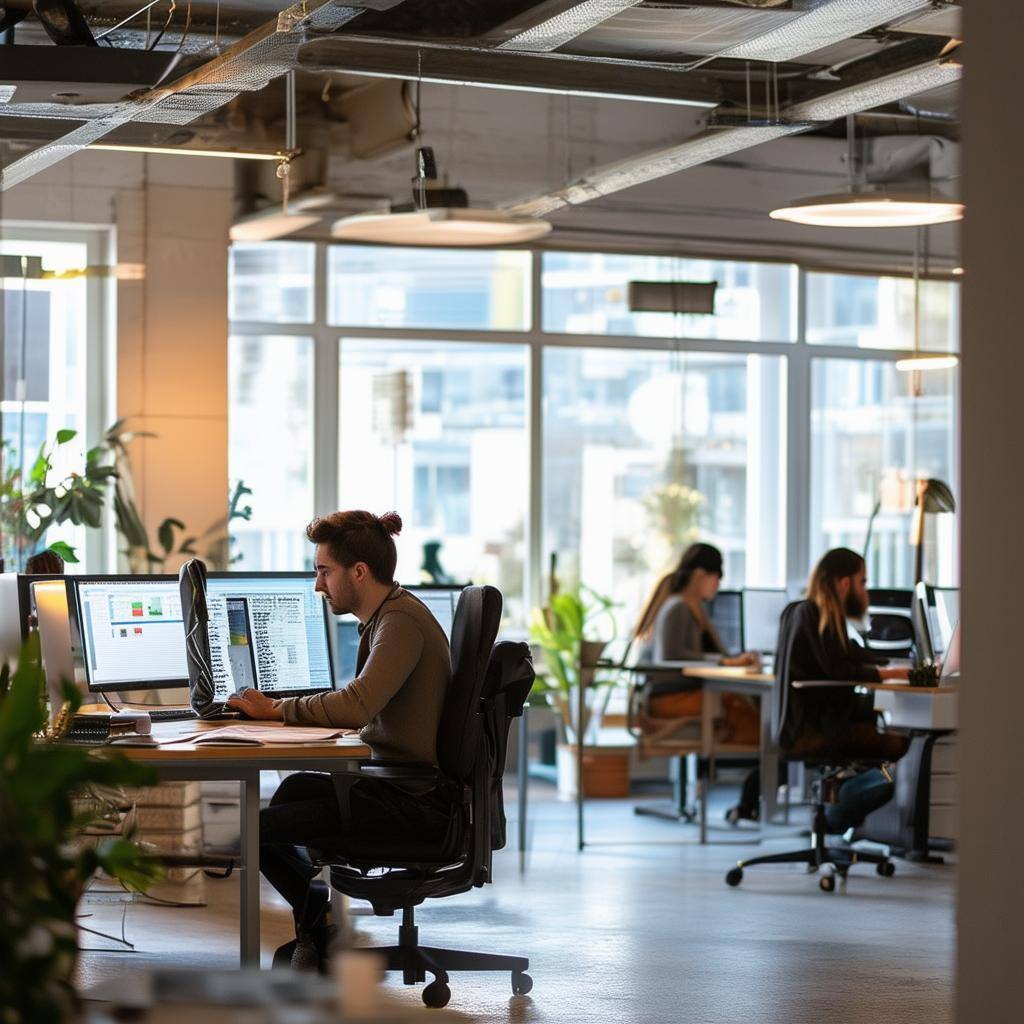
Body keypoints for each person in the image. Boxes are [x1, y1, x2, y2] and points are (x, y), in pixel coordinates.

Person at [227, 510, 453, 970]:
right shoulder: (387, 617)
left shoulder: (401, 622)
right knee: (294, 790)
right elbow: (363, 706)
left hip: (413, 800)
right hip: (395, 784)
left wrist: (277, 709)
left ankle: (318, 927)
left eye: (323, 571)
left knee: (249, 831)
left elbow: (356, 705)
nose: (318, 585)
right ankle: (318, 930)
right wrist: (287, 711)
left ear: (359, 572)